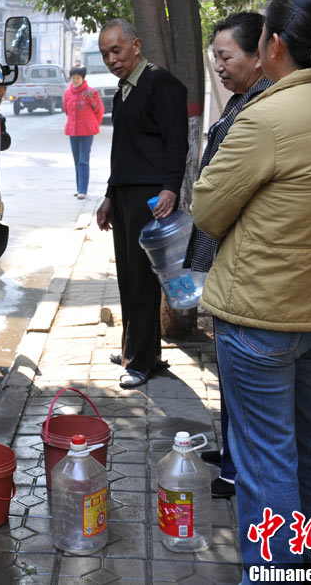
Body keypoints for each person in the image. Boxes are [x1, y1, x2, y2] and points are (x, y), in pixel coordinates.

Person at [192, 0, 311, 575]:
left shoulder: (266, 118)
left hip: (261, 320)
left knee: (266, 460)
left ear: (273, 44)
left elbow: (207, 211)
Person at [184, 12, 273, 500]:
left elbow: (225, 195)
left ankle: (239, 470)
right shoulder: (243, 98)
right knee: (228, 370)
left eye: (226, 56)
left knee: (243, 379)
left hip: (240, 259)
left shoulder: (261, 107)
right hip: (225, 254)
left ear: (260, 56)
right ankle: (233, 452)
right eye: (214, 57)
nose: (218, 66)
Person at [95, 19, 188, 388]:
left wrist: (170, 188)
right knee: (128, 275)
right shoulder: (123, 92)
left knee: (142, 278)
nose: (111, 60)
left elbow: (177, 142)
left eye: (116, 51)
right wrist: (108, 195)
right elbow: (122, 150)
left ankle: (140, 362)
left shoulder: (161, 84)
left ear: (136, 45)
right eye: (105, 54)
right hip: (124, 194)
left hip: (150, 196)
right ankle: (136, 350)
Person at [63, 66, 104, 199]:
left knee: (83, 161)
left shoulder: (91, 92)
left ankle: (83, 190)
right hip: (73, 131)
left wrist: (94, 124)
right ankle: (79, 188)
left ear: (83, 78)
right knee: (76, 160)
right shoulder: (67, 93)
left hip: (87, 131)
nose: (75, 80)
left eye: (78, 78)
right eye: (73, 78)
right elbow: (67, 110)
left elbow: (99, 110)